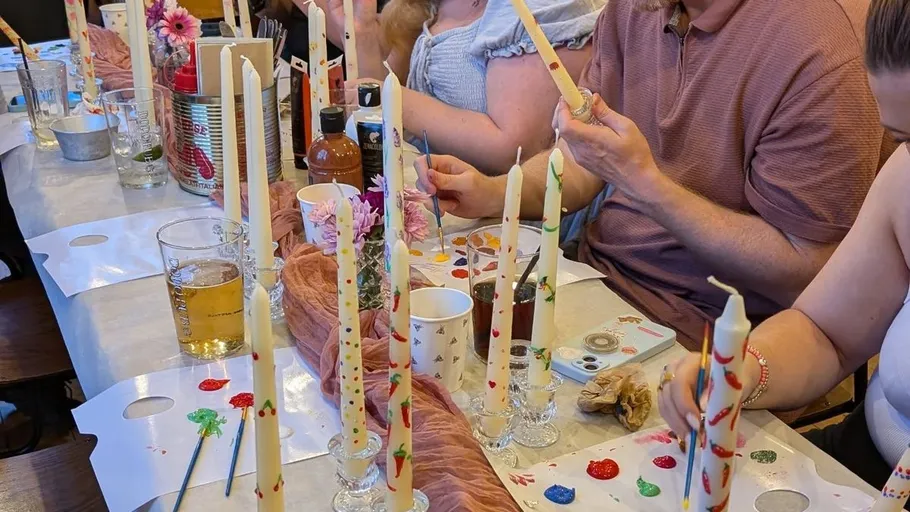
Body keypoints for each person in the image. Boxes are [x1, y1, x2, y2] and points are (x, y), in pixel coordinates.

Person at [416, 0, 892, 349]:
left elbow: (806, 275)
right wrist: (499, 193)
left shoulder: (818, 52)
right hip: (594, 282)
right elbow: (582, 160)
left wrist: (646, 185)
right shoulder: (638, 8)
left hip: (716, 338)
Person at [656, 0, 910, 488]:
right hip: (866, 462)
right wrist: (743, 370)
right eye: (904, 139)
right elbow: (826, 333)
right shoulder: (905, 178)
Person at [298, 0, 603, 174]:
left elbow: (513, 150)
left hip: (513, 232)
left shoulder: (539, 6)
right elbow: (389, 116)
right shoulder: (434, 5)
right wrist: (361, 33)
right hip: (437, 206)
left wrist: (397, 100)